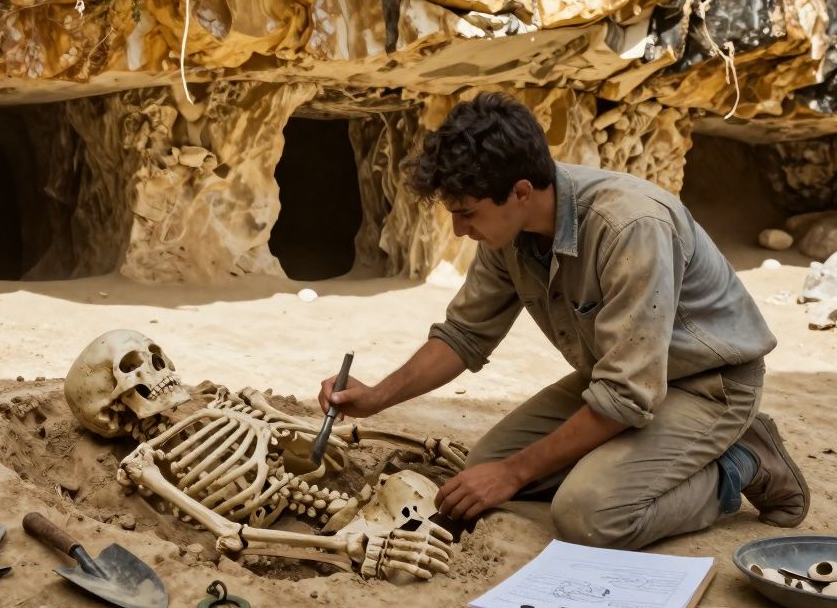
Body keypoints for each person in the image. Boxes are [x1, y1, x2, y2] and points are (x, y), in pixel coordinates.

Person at [318, 92, 809, 550]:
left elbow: (625, 395)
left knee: (590, 515)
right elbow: (464, 335)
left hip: (708, 385)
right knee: (480, 471)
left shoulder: (630, 226)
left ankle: (741, 462)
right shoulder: (510, 232)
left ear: (522, 191)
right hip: (627, 381)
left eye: (467, 213)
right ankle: (652, 459)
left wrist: (514, 473)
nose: (458, 229)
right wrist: (376, 397)